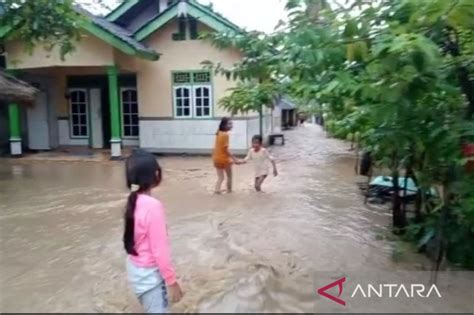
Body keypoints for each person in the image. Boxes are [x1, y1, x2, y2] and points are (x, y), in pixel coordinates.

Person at [124, 149, 183, 313]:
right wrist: (171, 281)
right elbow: (159, 250)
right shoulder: (153, 206)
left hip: (136, 273)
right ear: (156, 175)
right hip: (150, 279)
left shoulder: (133, 201)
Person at [212, 117, 238, 194]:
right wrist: (234, 158)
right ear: (224, 125)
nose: (231, 125)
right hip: (224, 159)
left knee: (220, 177)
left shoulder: (218, 132)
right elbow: (226, 150)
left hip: (216, 158)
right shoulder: (225, 135)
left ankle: (217, 190)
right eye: (229, 124)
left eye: (232, 124)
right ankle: (229, 191)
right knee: (229, 176)